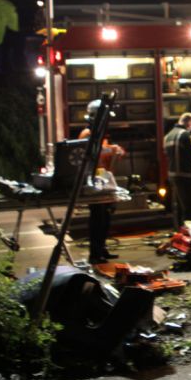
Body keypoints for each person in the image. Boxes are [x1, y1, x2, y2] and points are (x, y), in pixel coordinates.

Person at [79, 99, 125, 264]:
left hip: (103, 178)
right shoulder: (87, 134)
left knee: (105, 217)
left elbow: (105, 153)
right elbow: (94, 153)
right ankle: (95, 253)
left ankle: (102, 249)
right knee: (97, 218)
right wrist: (113, 149)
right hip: (94, 180)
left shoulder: (100, 135)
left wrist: (115, 151)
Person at [163, 112, 191, 228]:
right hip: (186, 176)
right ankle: (190, 231)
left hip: (173, 175)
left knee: (178, 206)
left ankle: (179, 230)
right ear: (189, 123)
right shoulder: (185, 135)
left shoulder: (168, 136)